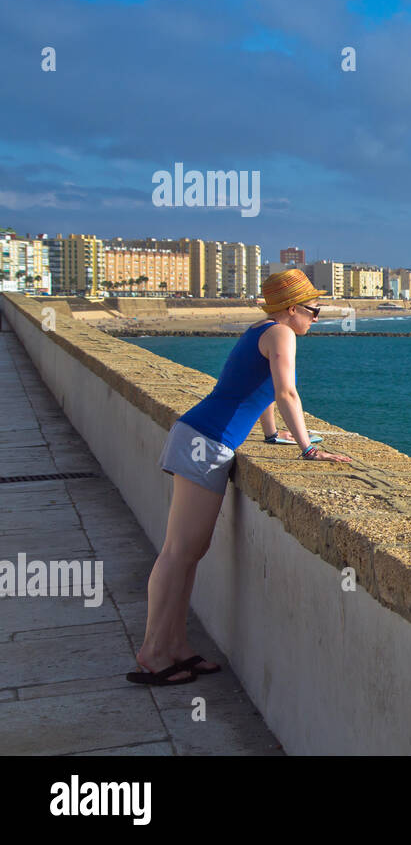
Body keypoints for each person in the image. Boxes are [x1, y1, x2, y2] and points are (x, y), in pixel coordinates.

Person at [127, 269, 352, 686]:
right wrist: (309, 448)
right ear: (291, 309)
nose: (317, 318)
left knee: (190, 554)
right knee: (178, 553)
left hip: (200, 437)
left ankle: (176, 647)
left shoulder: (261, 329)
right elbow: (286, 392)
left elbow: (259, 388)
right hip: (206, 442)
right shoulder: (282, 334)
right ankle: (153, 653)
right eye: (314, 310)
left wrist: (270, 433)